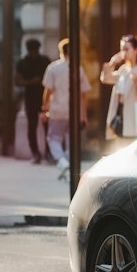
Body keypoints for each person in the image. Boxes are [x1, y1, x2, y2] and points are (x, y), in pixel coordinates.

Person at [41, 38, 90, 179]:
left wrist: (45, 109)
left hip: (57, 110)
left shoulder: (53, 68)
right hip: (73, 111)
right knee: (70, 139)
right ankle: (66, 165)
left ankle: (62, 163)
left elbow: (48, 91)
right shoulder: (78, 68)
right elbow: (83, 95)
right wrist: (83, 115)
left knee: (53, 138)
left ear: (61, 52)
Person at [100, 34, 137, 141]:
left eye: (126, 49)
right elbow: (105, 79)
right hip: (120, 121)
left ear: (136, 50)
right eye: (122, 49)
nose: (123, 52)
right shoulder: (123, 70)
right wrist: (112, 63)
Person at [14, 38, 51, 163]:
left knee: (46, 126)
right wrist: (32, 82)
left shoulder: (43, 61)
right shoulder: (23, 62)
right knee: (33, 126)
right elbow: (17, 81)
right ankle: (36, 153)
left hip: (40, 97)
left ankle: (46, 152)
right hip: (32, 97)